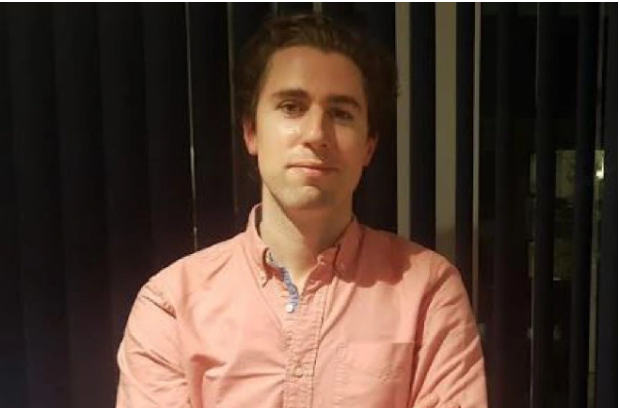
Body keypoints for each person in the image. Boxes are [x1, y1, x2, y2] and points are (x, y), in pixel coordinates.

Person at [116, 13, 487, 408]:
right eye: (292, 107)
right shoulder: (172, 304)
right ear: (251, 132)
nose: (316, 134)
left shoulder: (427, 292)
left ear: (369, 146)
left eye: (341, 113)